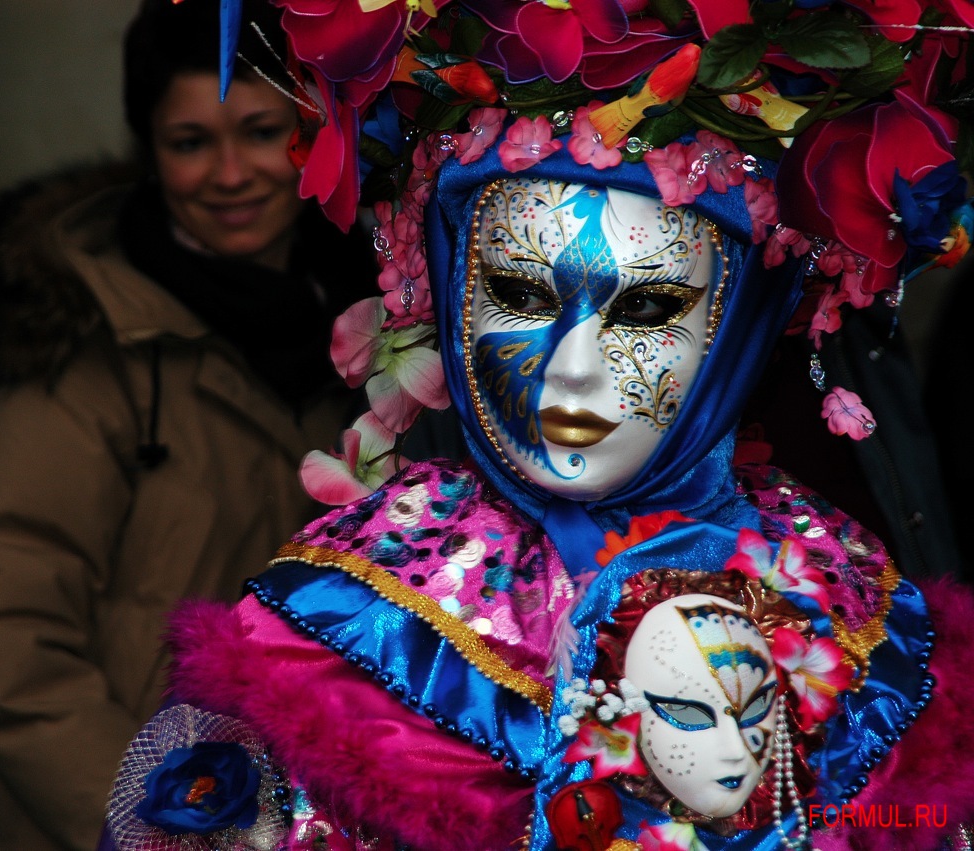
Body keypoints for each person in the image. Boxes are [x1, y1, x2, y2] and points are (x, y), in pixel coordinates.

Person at [99, 3, 974, 850]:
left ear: (744, 325)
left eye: (648, 308)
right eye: (520, 294)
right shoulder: (333, 630)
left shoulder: (857, 626)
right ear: (453, 291)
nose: (574, 368)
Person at [0, 0, 376, 847]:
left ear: (314, 133)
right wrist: (159, 819)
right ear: (149, 151)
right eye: (189, 142)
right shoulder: (84, 350)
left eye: (261, 131)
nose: (230, 172)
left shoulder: (374, 326)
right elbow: (5, 634)